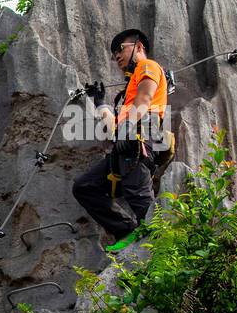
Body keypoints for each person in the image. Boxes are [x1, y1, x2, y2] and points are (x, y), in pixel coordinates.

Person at [72, 28, 169, 253]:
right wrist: (100, 103)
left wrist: (127, 130)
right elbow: (114, 126)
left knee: (139, 195)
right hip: (124, 143)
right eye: (114, 52)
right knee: (85, 186)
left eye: (121, 49)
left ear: (138, 46)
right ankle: (126, 229)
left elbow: (145, 99)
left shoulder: (148, 66)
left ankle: (160, 247)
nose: (117, 55)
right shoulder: (127, 92)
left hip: (140, 138)